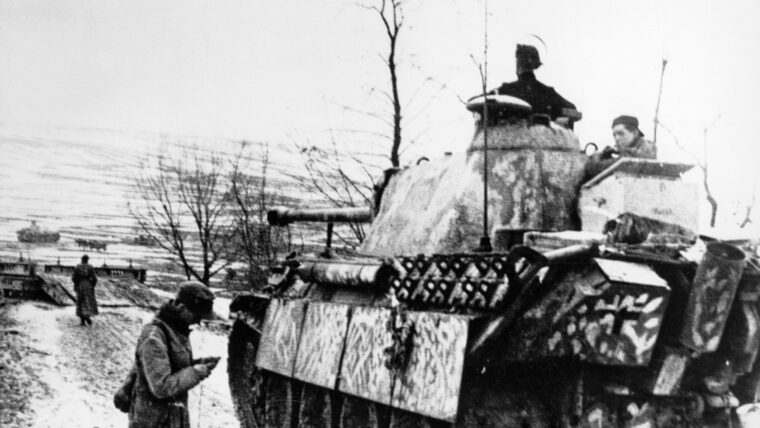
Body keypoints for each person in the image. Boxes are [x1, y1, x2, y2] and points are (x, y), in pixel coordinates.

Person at [127, 281, 219, 428]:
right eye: (196, 315)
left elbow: (173, 365)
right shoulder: (154, 337)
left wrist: (197, 363)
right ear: (181, 307)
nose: (199, 321)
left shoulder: (177, 329)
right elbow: (161, 387)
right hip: (153, 421)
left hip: (173, 417)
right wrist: (195, 372)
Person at [491, 44, 580, 124]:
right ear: (536, 66)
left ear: (518, 65)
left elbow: (482, 100)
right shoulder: (547, 92)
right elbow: (572, 108)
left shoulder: (506, 90)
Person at [584, 115, 658, 180]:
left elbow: (594, 168)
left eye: (621, 133)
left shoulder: (632, 156)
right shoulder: (645, 149)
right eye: (614, 135)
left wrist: (597, 156)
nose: (617, 138)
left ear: (635, 133)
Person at [72, 254, 98, 326]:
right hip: (88, 285)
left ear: (82, 259)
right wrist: (92, 285)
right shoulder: (90, 267)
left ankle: (82, 321)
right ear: (87, 260)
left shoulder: (77, 267)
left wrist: (76, 284)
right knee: (88, 302)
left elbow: (73, 278)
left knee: (80, 302)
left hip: (80, 285)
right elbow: (95, 278)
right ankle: (87, 316)